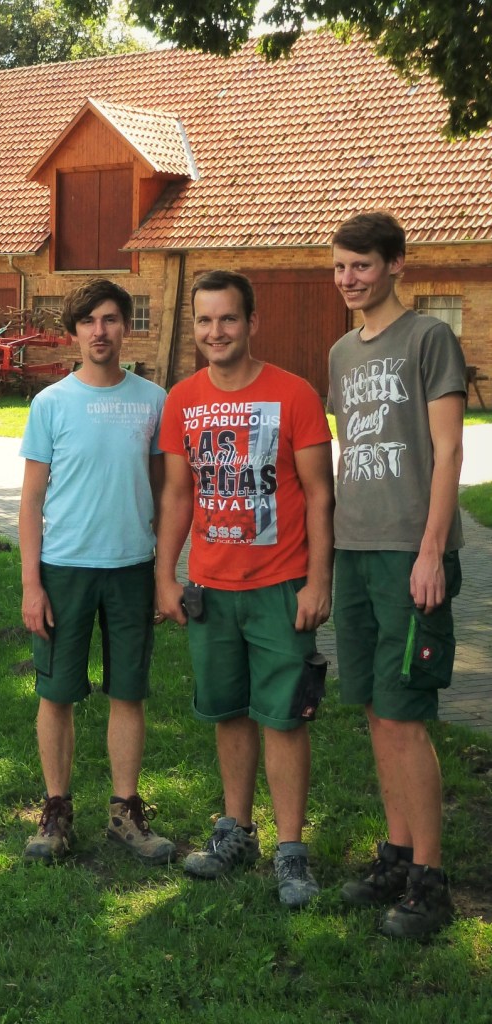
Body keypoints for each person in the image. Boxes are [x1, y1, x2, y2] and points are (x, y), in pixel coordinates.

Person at [155, 270, 334, 907]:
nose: (215, 332)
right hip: (210, 586)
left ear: (251, 323)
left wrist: (318, 581)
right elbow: (177, 494)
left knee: (283, 717)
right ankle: (236, 832)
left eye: (227, 319)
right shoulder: (182, 398)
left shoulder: (295, 393)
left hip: (281, 586)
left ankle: (292, 852)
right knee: (228, 712)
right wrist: (164, 574)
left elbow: (319, 494)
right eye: (204, 321)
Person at [329, 211, 465, 939]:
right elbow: (351, 449)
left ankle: (430, 879)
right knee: (378, 711)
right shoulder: (341, 352)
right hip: (353, 549)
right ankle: (396, 853)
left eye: (361, 265)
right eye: (340, 267)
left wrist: (429, 549)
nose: (348, 279)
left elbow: (448, 452)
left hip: (410, 553)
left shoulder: (428, 339)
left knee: (406, 716)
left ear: (394, 266)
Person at [18, 278, 176, 866]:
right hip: (64, 570)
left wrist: (165, 571)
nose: (101, 331)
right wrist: (32, 585)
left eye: (112, 319)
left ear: (126, 326)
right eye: (89, 321)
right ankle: (56, 810)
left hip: (131, 568)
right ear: (75, 330)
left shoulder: (152, 400)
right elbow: (31, 501)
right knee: (57, 694)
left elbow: (165, 494)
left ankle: (125, 812)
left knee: (127, 692)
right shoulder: (51, 403)